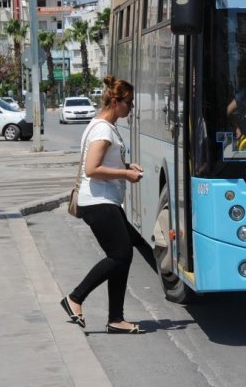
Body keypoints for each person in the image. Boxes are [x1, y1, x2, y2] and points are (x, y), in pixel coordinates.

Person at [60, 75, 146, 334]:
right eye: (129, 103)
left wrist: (126, 166)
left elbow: (101, 163)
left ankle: (116, 319)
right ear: (117, 101)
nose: (131, 108)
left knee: (126, 252)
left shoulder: (102, 125)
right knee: (120, 254)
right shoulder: (103, 129)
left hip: (103, 200)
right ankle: (75, 298)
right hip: (98, 201)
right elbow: (92, 168)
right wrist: (126, 174)